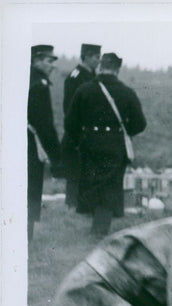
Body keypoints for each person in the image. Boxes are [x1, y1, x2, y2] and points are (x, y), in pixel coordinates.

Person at [65, 52, 146, 238]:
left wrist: (81, 139)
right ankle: (99, 231)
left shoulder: (84, 89)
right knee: (110, 186)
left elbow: (70, 122)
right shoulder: (127, 92)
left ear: (100, 67)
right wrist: (123, 133)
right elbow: (140, 123)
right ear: (118, 69)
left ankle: (96, 228)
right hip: (115, 146)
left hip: (89, 144)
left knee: (92, 184)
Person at [28, 45, 64, 242]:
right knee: (30, 190)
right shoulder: (40, 84)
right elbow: (45, 124)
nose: (52, 66)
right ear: (37, 60)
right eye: (50, 61)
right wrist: (57, 158)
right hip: (31, 145)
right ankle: (25, 239)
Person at [62, 43, 101, 210]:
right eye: (95, 57)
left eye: (99, 57)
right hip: (77, 132)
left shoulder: (93, 76)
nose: (98, 61)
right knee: (75, 173)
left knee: (88, 171)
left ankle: (84, 206)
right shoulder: (76, 76)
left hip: (91, 132)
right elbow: (69, 108)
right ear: (86, 56)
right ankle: (72, 206)